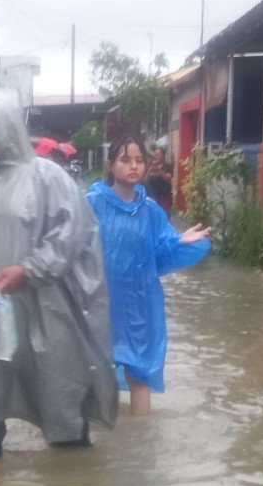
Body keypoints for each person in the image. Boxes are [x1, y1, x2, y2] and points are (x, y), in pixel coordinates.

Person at [0, 90, 118, 462]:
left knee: (60, 403)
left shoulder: (48, 178)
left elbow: (72, 236)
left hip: (46, 312)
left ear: (6, 128)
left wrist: (29, 270)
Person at [87, 137, 211, 417]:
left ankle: (142, 446)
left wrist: (181, 241)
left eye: (139, 160)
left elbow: (162, 248)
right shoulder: (93, 203)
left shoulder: (151, 211)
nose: (133, 166)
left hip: (139, 306)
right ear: (111, 165)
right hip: (99, 302)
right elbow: (70, 244)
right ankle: (95, 445)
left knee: (139, 374)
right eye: (125, 159)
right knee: (94, 372)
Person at [144, 146, 174, 214]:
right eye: (155, 155)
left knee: (164, 214)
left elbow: (168, 178)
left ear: (163, 156)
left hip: (164, 196)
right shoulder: (151, 166)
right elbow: (145, 180)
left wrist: (159, 169)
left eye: (159, 154)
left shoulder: (167, 166)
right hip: (153, 196)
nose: (157, 156)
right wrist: (150, 169)